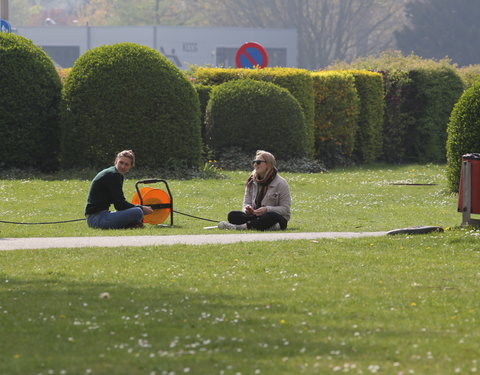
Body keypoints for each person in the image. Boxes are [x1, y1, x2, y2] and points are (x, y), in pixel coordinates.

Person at [218, 150, 291, 231]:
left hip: (275, 217)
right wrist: (247, 210)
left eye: (258, 162)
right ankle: (263, 226)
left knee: (271, 216)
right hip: (255, 216)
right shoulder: (251, 182)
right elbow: (246, 202)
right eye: (254, 162)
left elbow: (285, 209)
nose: (255, 164)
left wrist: (267, 209)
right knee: (232, 215)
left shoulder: (281, 183)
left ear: (268, 164)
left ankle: (242, 227)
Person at [85, 150, 153, 229]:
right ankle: (131, 224)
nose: (123, 166)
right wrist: (142, 208)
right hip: (97, 219)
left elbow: (119, 203)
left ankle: (131, 225)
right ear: (116, 161)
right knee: (138, 212)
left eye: (126, 164)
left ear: (131, 166)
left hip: (96, 217)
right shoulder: (114, 175)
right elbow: (120, 205)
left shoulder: (112, 172)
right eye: (121, 162)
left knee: (135, 211)